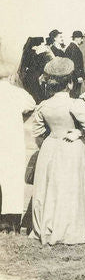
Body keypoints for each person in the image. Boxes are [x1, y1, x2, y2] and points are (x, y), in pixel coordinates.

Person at [29, 58, 85, 245]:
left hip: (50, 147)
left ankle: (48, 226)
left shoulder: (43, 105)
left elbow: (36, 131)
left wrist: (50, 138)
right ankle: (70, 229)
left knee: (51, 187)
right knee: (70, 187)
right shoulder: (74, 104)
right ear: (69, 84)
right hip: (70, 147)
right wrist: (79, 132)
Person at [0, 63, 36, 224]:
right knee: (12, 179)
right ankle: (11, 222)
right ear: (10, 77)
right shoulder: (17, 93)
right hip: (11, 141)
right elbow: (31, 104)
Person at [18, 37, 50, 102]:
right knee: (38, 96)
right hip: (34, 76)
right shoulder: (36, 53)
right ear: (36, 45)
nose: (42, 45)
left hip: (30, 76)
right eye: (41, 44)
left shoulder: (28, 52)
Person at [64, 31, 85, 98]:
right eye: (81, 38)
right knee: (74, 94)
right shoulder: (74, 48)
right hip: (75, 76)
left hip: (72, 76)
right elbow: (75, 63)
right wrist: (78, 76)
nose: (82, 40)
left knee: (73, 93)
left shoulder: (71, 47)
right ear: (76, 38)